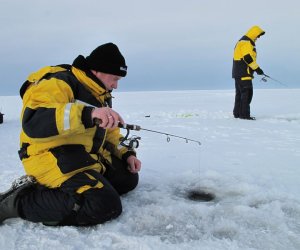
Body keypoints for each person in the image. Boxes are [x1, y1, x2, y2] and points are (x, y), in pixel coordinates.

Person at [0, 43, 142, 226]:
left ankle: (77, 188)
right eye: (114, 78)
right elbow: (34, 121)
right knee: (104, 205)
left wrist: (127, 154)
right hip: (49, 155)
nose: (116, 85)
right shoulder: (58, 82)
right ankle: (18, 202)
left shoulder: (100, 92)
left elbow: (110, 132)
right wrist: (88, 114)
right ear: (98, 71)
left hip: (81, 155)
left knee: (128, 178)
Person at [232, 25, 265, 120]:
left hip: (239, 73)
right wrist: (257, 69)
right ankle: (244, 115)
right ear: (254, 33)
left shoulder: (243, 41)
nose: (258, 38)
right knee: (247, 93)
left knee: (240, 94)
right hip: (243, 73)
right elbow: (247, 58)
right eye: (258, 36)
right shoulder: (246, 43)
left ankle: (238, 114)